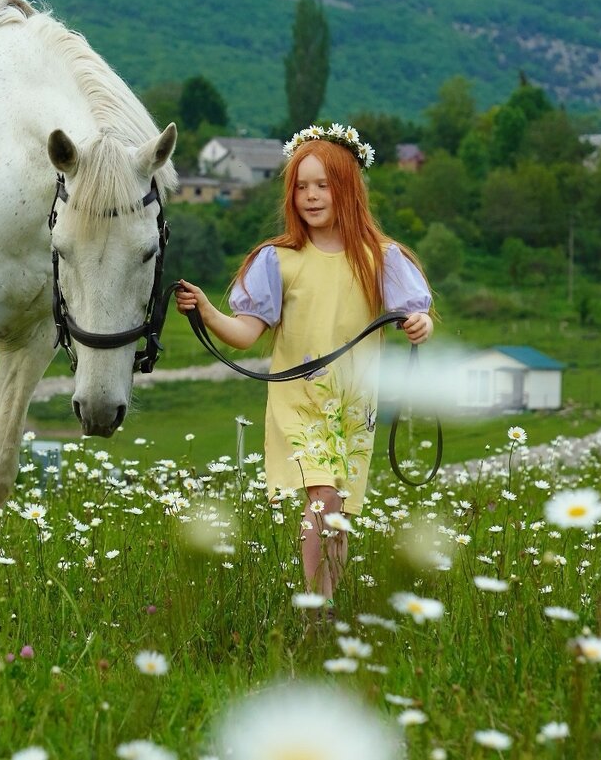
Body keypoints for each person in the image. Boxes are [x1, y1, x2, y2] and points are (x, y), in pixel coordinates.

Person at [174, 124, 433, 614]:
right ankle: (318, 610)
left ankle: (327, 605)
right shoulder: (279, 260)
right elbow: (247, 333)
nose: (311, 196)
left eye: (323, 184)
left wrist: (419, 325)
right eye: (301, 185)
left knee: (339, 511)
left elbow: (413, 318)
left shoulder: (381, 259)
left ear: (348, 189)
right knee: (321, 497)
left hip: (355, 405)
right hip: (300, 401)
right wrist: (207, 312)